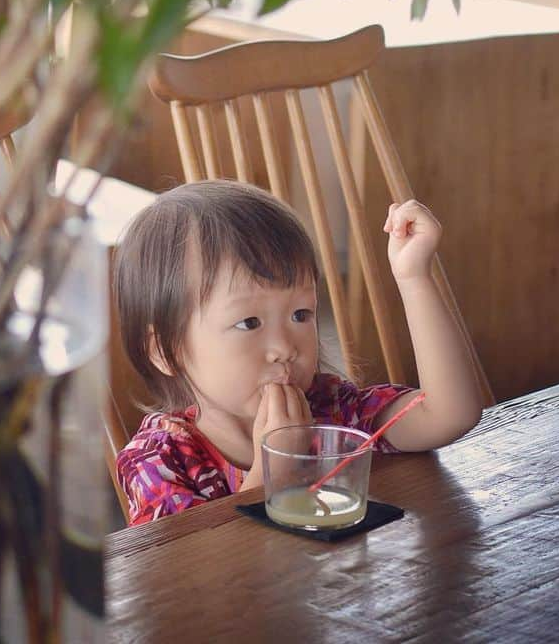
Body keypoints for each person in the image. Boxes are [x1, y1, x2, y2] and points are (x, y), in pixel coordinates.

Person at [113, 180, 484, 526]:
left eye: (300, 314)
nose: (284, 348)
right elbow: (193, 583)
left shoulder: (330, 410)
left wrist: (414, 277)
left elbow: (449, 414)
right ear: (166, 350)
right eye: (249, 323)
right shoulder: (156, 461)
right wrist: (276, 472)